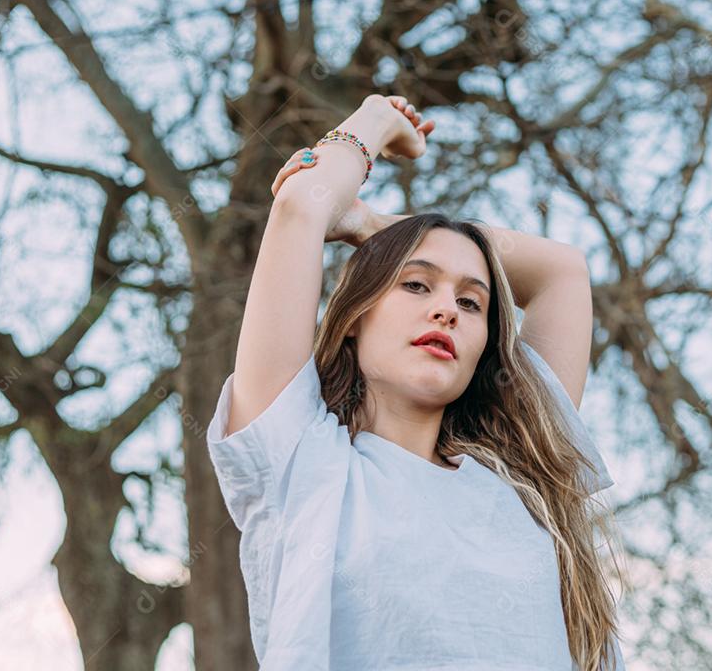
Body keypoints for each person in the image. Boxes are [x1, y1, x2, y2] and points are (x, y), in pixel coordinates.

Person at [205, 93, 628, 670]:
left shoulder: (523, 476)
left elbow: (562, 270)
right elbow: (304, 204)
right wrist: (378, 117)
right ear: (354, 319)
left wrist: (376, 225)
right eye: (415, 285)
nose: (447, 311)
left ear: (483, 348)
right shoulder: (299, 462)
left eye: (471, 302)